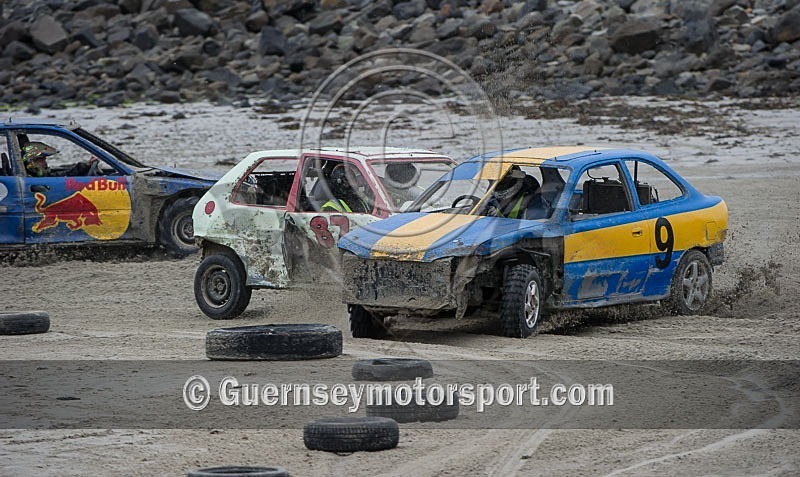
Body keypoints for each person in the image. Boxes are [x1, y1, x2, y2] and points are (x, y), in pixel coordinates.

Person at [23, 141, 97, 177]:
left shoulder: (41, 175)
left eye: (44, 160)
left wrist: (86, 165)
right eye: (40, 160)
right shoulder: (35, 179)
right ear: (31, 162)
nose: (45, 163)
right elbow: (62, 175)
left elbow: (60, 173)